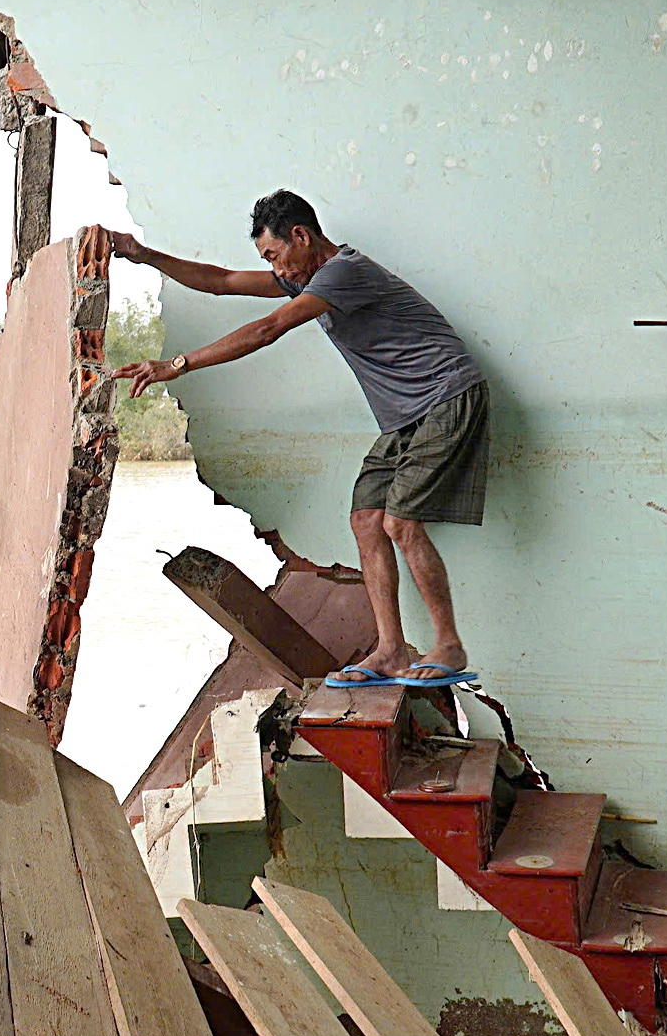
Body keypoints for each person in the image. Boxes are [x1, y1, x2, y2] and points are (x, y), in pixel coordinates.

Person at [93, 189, 488, 688]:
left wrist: (178, 364)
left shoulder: (343, 273)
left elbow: (267, 329)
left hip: (445, 395)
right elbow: (221, 282)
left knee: (400, 522)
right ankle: (390, 652)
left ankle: (448, 646)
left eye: (275, 256)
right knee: (366, 519)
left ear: (301, 236)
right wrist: (144, 255)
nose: (276, 270)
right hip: (405, 415)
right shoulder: (307, 277)